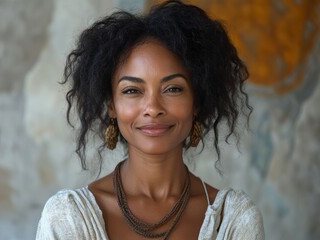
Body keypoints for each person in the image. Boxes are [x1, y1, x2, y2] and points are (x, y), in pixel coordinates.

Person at [36, 1, 264, 239]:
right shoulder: (67, 219)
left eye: (173, 89)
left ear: (197, 102)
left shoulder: (234, 220)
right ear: (111, 106)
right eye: (132, 90)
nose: (153, 108)